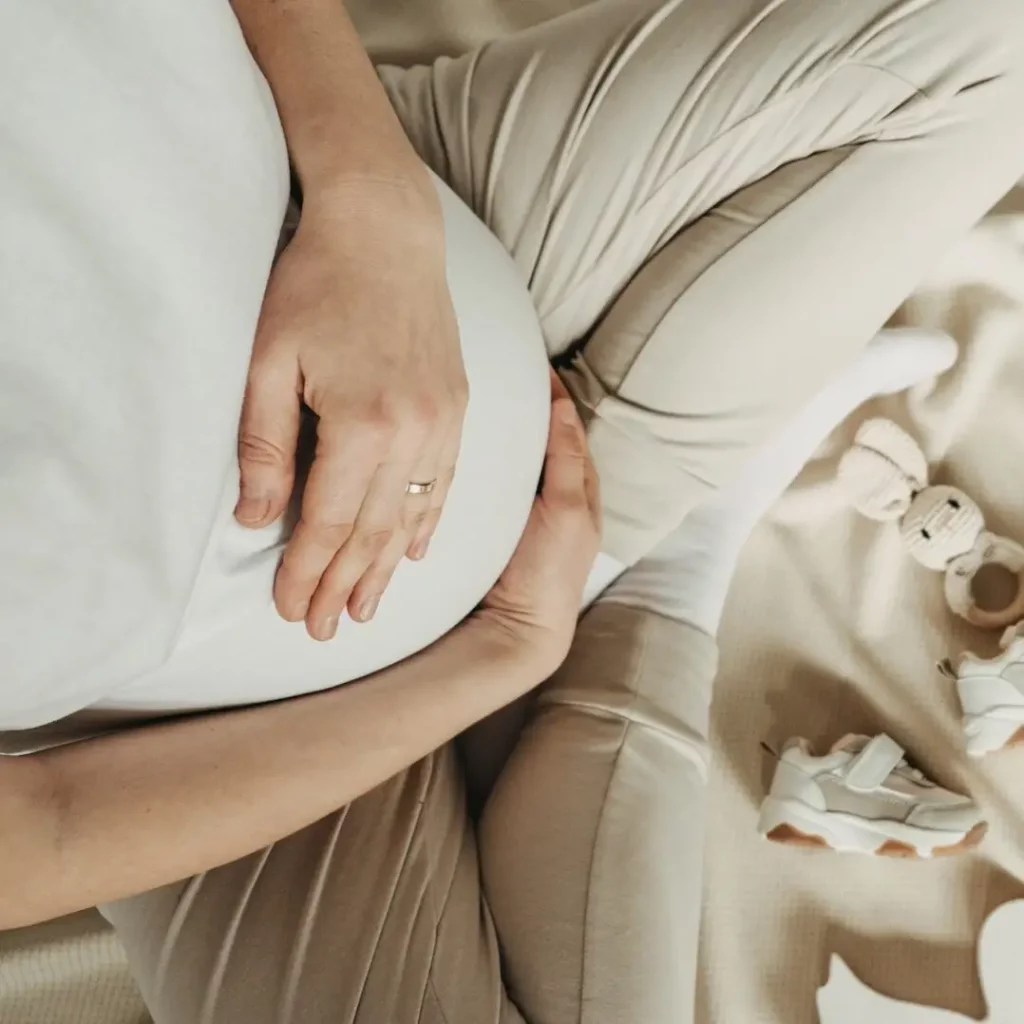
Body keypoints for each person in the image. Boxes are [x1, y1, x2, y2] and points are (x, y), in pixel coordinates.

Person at [1, 0, 1023, 1021]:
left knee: (985, 38)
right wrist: (499, 653)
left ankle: (633, 541)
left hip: (336, 194)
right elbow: (43, 828)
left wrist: (368, 195)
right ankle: (648, 569)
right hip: (194, 733)